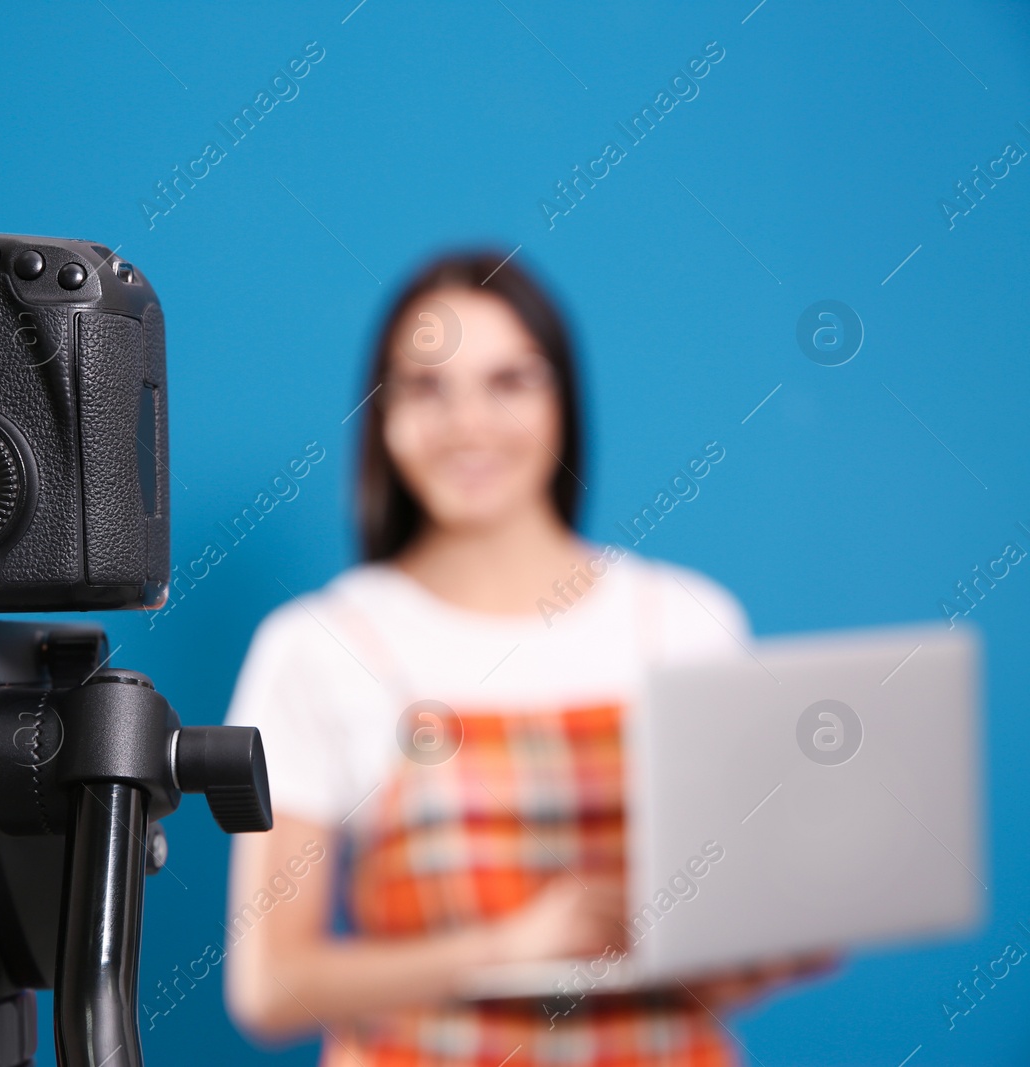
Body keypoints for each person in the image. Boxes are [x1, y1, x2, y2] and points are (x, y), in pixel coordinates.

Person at [222, 251, 824, 1066]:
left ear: (564, 404)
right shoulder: (321, 645)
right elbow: (270, 985)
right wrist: (508, 946)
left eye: (510, 382)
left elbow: (709, 974)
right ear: (383, 417)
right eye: (427, 387)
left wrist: (763, 953)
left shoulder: (686, 621)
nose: (469, 423)